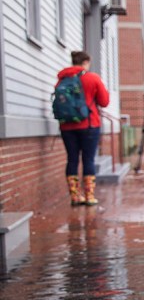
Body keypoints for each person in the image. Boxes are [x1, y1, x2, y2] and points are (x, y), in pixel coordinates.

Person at [56, 51, 110, 206]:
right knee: (88, 159)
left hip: (66, 126)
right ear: (86, 62)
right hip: (89, 124)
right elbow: (104, 101)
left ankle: (75, 196)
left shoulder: (62, 79)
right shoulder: (92, 78)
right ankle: (89, 196)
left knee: (72, 159)